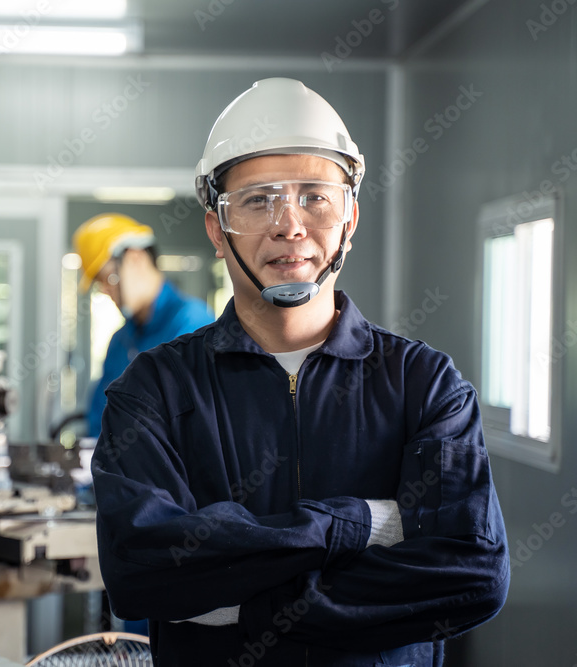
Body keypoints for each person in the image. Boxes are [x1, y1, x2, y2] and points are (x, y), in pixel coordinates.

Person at [92, 78, 510, 666]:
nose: (290, 225)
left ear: (351, 217)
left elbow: (473, 573)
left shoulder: (426, 385)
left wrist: (246, 604)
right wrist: (362, 525)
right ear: (217, 227)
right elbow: (141, 572)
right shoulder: (153, 392)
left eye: (315, 196)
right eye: (259, 199)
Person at [72, 213, 213, 438]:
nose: (108, 292)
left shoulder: (192, 324)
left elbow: (186, 425)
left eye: (109, 279)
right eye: (101, 286)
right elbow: (98, 417)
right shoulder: (121, 339)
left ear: (135, 258)